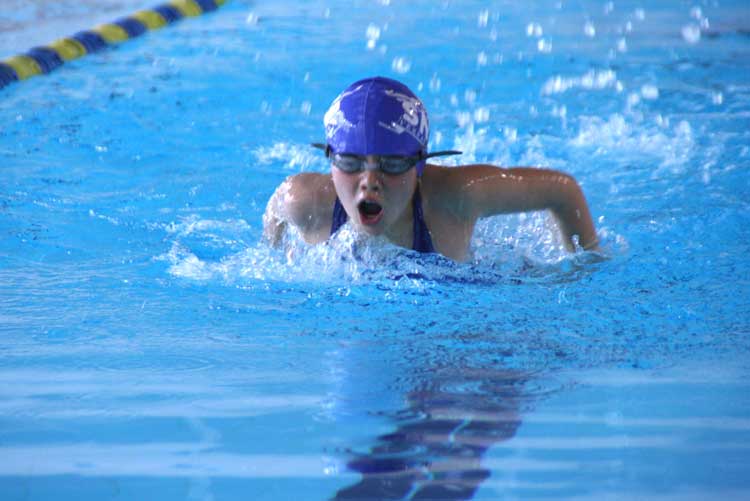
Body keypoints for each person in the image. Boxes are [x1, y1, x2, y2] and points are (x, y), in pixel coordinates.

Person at [263, 76, 598, 262]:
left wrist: (586, 266)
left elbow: (561, 189)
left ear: (419, 165)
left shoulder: (457, 198)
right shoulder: (305, 202)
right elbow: (275, 213)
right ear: (332, 160)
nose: (369, 182)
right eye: (351, 163)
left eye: (392, 164)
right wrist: (277, 256)